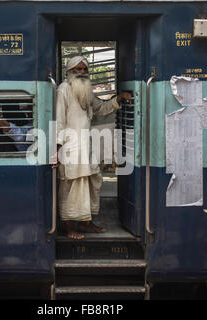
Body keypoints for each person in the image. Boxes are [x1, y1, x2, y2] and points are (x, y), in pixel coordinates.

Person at [54, 56, 131, 239]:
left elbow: (101, 109)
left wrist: (118, 98)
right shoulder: (63, 89)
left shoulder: (87, 91)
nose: (81, 73)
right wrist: (56, 151)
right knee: (69, 187)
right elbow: (58, 120)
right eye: (77, 70)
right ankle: (67, 227)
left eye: (84, 70)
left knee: (92, 183)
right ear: (69, 72)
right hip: (69, 148)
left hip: (87, 147)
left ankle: (85, 223)